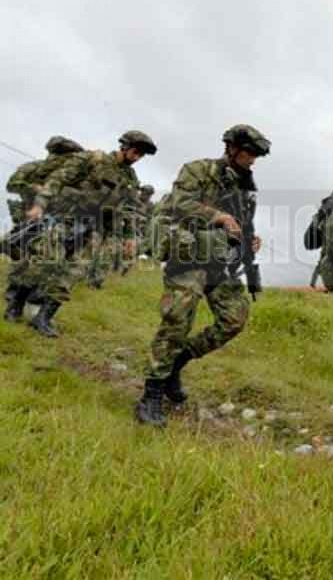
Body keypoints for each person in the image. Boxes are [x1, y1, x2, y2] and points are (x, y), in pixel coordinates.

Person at [135, 124, 269, 427]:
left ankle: (176, 363)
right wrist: (217, 216)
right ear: (232, 148)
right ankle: (151, 393)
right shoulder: (198, 170)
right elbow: (180, 204)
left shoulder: (246, 190)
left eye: (256, 156)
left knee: (234, 318)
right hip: (189, 256)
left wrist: (249, 241)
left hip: (219, 262)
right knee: (177, 319)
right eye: (249, 153)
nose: (252, 160)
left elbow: (242, 225)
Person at [20, 131, 155, 336]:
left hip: (95, 229)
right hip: (68, 218)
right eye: (136, 151)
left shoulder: (131, 179)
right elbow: (59, 179)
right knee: (46, 263)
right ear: (125, 146)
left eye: (141, 155)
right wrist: (40, 204)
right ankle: (16, 302)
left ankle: (44, 317)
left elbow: (127, 209)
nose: (137, 157)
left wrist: (129, 237)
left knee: (74, 273)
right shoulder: (94, 160)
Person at [4, 135, 84, 321]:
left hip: (52, 218)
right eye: (66, 156)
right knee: (26, 252)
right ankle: (15, 293)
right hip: (29, 213)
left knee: (39, 254)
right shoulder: (33, 167)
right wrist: (34, 188)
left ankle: (21, 294)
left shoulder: (68, 176)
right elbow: (12, 184)